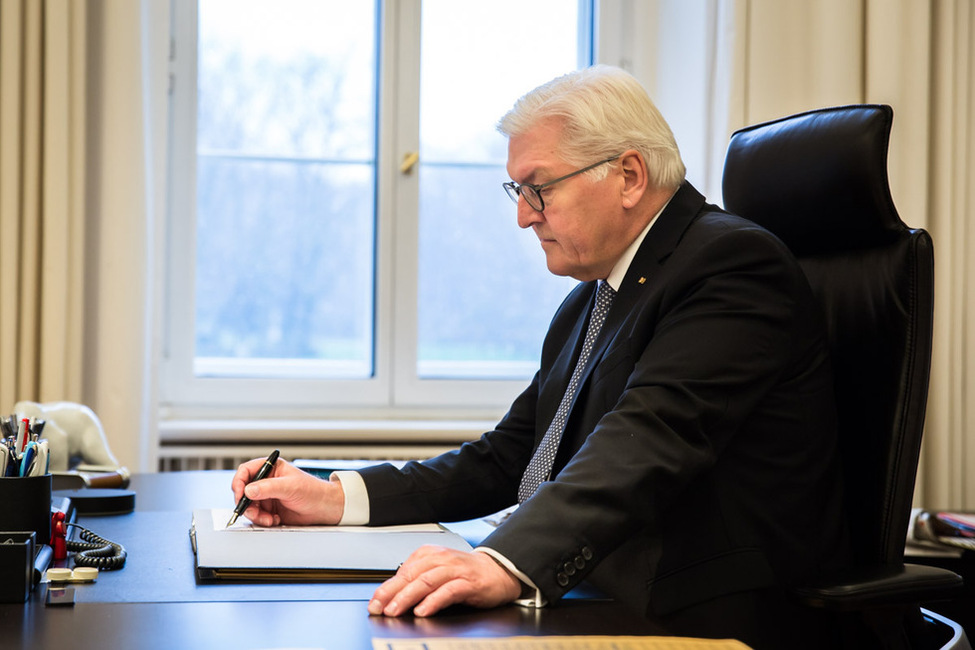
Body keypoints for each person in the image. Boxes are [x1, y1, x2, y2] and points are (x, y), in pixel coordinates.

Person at [232, 65, 850, 648]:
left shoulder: (732, 266)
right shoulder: (595, 297)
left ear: (629, 176)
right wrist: (336, 496)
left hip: (700, 616)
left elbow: (647, 439)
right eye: (518, 191)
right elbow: (511, 456)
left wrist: (505, 561)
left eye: (538, 188)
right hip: (597, 585)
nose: (524, 216)